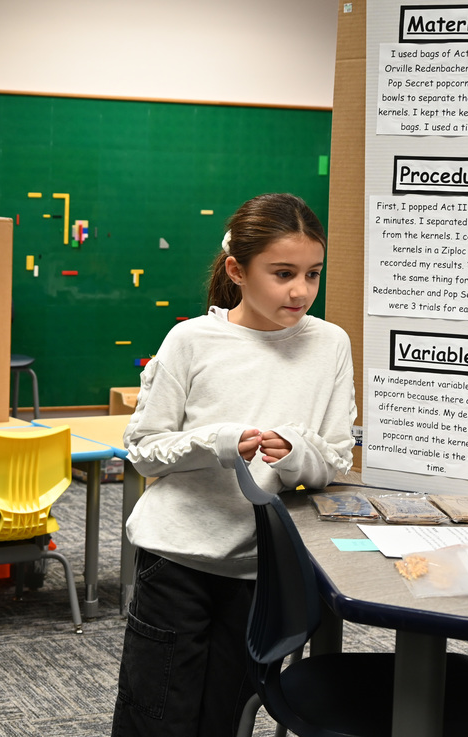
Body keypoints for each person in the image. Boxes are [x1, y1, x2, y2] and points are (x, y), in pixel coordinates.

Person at [111, 193, 356, 737]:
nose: (301, 291)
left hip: (260, 570)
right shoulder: (192, 339)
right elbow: (144, 447)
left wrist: (295, 453)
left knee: (230, 715)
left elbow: (336, 458)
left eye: (313, 274)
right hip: (177, 560)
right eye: (283, 273)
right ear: (237, 271)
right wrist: (218, 442)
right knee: (157, 714)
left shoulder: (331, 344)